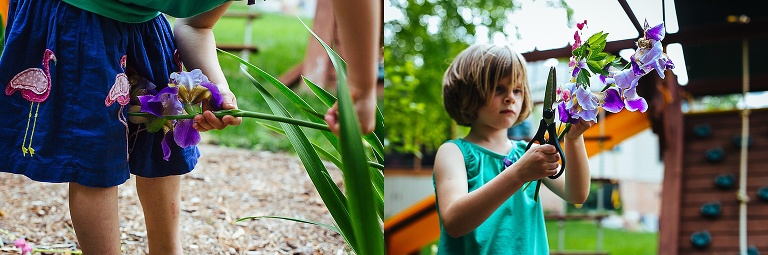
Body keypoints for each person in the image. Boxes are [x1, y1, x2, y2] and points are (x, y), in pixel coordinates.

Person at [0, 0, 380, 254]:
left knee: (165, 141)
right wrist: (361, 88)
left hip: (144, 22)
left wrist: (218, 87)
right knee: (94, 159)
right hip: (75, 14)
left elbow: (196, 27)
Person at [433, 43, 593, 254]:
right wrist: (518, 173)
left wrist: (573, 139)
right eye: (499, 89)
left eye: (517, 90)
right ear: (468, 93)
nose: (510, 97)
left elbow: (576, 194)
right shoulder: (453, 153)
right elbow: (454, 222)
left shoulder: (526, 153)